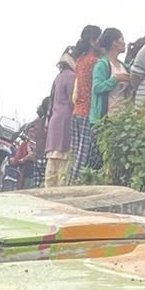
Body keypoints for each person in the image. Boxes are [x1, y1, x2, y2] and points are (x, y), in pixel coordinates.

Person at [79, 28, 126, 173]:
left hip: (121, 118)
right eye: (122, 39)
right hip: (104, 119)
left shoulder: (123, 66)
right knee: (98, 159)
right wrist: (115, 79)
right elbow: (97, 88)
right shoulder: (102, 64)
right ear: (114, 43)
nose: (124, 43)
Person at [67, 25, 102, 180]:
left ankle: (69, 182)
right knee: (84, 155)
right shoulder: (95, 61)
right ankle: (77, 185)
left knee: (75, 155)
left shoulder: (80, 60)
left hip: (77, 112)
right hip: (88, 112)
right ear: (93, 41)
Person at [42, 49, 75, 186]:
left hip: (54, 121)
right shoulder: (72, 76)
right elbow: (73, 100)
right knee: (63, 168)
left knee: (51, 168)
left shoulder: (58, 77)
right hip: (66, 121)